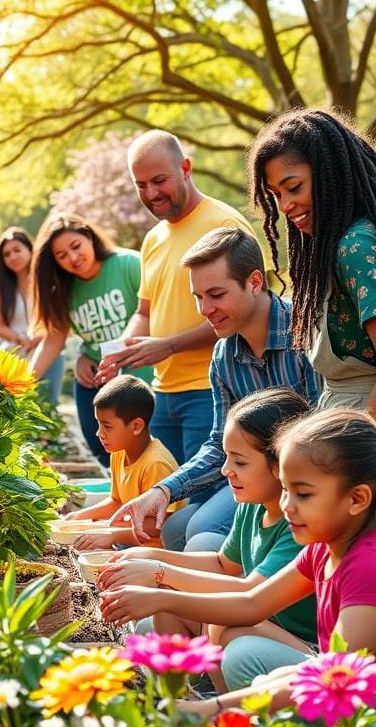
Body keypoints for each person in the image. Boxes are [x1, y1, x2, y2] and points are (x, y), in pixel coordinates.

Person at [101, 409, 376, 725]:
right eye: (285, 489)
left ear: (357, 499)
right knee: (266, 684)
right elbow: (253, 603)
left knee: (278, 696)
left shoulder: (375, 563)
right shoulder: (323, 548)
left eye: (303, 494)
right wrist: (162, 598)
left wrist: (216, 708)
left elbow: (336, 678)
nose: (288, 506)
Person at [251, 108, 376, 495]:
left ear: (329, 176)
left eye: (294, 187)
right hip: (360, 422)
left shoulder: (358, 246)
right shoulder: (336, 246)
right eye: (277, 195)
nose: (286, 205)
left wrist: (351, 447)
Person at [110, 228, 322, 552]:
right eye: (198, 297)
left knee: (200, 533)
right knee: (176, 528)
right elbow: (218, 444)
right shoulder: (224, 356)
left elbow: (326, 436)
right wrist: (163, 491)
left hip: (306, 478)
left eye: (216, 294)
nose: (205, 309)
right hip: (252, 480)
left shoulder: (305, 333)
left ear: (254, 282)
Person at [98, 388, 317, 692]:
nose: (226, 470)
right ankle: (184, 695)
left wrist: (159, 573)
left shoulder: (301, 525)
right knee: (167, 609)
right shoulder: (252, 506)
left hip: (303, 646)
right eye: (227, 458)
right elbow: (223, 563)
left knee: (219, 622)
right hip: (263, 624)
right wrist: (148, 559)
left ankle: (220, 707)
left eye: (239, 462)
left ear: (280, 465)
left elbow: (250, 593)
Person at [99, 131, 254, 467]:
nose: (151, 193)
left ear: (185, 168)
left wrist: (168, 345)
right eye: (141, 185)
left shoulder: (224, 224)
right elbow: (145, 311)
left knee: (201, 506)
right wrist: (122, 348)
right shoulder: (153, 238)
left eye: (159, 180)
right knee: (167, 508)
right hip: (163, 395)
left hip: (212, 391)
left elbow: (248, 312)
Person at [29, 214, 153, 465]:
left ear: (89, 237)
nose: (73, 258)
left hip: (140, 374)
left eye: (76, 246)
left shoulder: (128, 264)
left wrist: (119, 356)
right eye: (62, 256)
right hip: (94, 378)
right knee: (103, 451)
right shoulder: (63, 289)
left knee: (145, 452)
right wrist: (19, 385)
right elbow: (53, 340)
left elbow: (152, 314)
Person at [63, 375, 181, 549]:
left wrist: (110, 533)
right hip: (126, 537)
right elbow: (117, 501)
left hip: (152, 548)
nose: (99, 434)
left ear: (136, 426)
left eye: (107, 426)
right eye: (99, 424)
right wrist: (79, 516)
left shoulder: (156, 464)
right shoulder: (118, 451)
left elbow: (160, 526)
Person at [0, 227, 63, 405]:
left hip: (47, 347)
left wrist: (39, 338)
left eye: (17, 250)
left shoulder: (48, 281)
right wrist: (21, 338)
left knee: (47, 406)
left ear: (30, 249)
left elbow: (57, 320)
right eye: (6, 254)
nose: (13, 257)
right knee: (15, 408)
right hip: (13, 353)